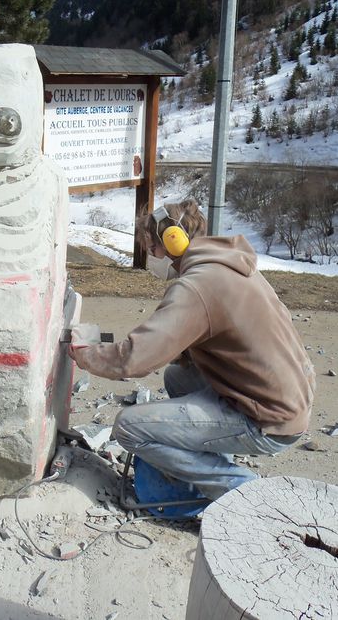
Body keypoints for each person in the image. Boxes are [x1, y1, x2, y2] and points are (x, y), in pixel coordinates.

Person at [69, 198, 315, 501]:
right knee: (178, 376)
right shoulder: (229, 264)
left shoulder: (198, 286)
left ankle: (250, 496)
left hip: (268, 418)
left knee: (129, 427)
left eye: (152, 246)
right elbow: (182, 343)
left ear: (174, 241)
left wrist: (86, 353)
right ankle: (212, 453)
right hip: (283, 397)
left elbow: (134, 360)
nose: (150, 255)